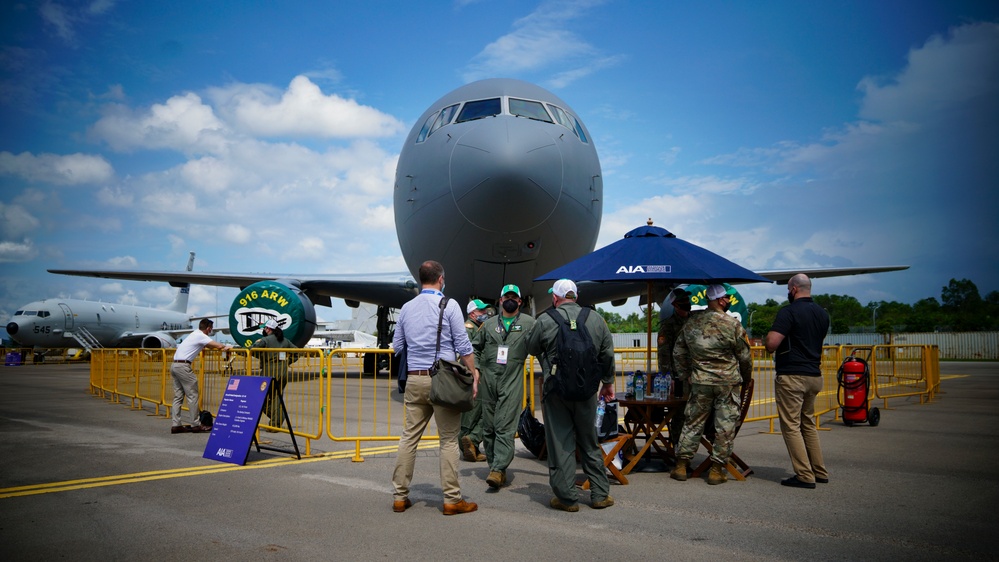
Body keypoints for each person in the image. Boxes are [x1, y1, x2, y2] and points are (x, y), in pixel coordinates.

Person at [391, 260, 479, 515]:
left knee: (409, 438)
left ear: (421, 279)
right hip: (443, 380)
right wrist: (473, 373)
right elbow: (464, 346)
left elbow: (397, 346)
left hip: (415, 379)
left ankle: (399, 496)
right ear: (441, 279)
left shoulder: (406, 308)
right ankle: (452, 500)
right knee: (449, 440)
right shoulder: (449, 305)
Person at [526, 279, 616, 511]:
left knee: (560, 443)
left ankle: (567, 498)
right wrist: (607, 383)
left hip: (556, 391)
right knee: (589, 441)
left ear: (555, 298)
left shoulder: (546, 319)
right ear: (575, 296)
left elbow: (532, 347)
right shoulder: (596, 319)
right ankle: (599, 494)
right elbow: (607, 354)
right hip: (587, 391)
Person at [671, 284, 752, 485]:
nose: (728, 301)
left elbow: (678, 351)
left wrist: (685, 375)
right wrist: (746, 377)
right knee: (724, 426)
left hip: (700, 381)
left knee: (692, 423)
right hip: (727, 382)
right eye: (725, 298)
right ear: (719, 300)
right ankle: (716, 470)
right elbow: (744, 356)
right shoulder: (732, 325)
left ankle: (681, 466)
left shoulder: (691, 323)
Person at [765, 273, 831, 489]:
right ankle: (819, 471)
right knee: (808, 424)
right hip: (814, 375)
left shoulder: (789, 312)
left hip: (793, 375)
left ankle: (804, 475)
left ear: (793, 289)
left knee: (791, 426)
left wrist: (769, 340)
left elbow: (772, 343)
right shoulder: (822, 313)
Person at [472, 284, 535, 489]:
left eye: (514, 297)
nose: (510, 300)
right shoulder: (489, 325)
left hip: (512, 378)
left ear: (519, 301)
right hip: (489, 379)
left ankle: (498, 468)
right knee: (489, 427)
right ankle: (495, 466)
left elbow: (541, 346)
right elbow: (476, 348)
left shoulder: (529, 323)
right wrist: (476, 369)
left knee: (505, 426)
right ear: (500, 301)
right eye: (506, 297)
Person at [171, 319, 232, 434]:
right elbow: (217, 345)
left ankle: (176, 424)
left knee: (178, 396)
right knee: (193, 395)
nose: (211, 331)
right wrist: (225, 347)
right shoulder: (201, 336)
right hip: (184, 366)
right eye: (211, 329)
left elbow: (209, 346)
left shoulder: (194, 334)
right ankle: (196, 424)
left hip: (175, 365)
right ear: (208, 328)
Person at [658, 287, 692, 446]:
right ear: (675, 305)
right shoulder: (668, 326)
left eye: (688, 300)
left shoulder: (694, 320)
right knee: (680, 414)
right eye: (683, 302)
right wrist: (668, 377)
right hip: (679, 377)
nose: (687, 303)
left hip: (696, 374)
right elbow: (664, 354)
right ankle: (677, 446)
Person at [252, 319, 298, 431]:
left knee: (259, 398)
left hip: (269, 373)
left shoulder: (265, 340)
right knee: (276, 398)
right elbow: (297, 351)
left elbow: (252, 349)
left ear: (268, 329)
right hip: (282, 372)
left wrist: (237, 350)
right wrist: (288, 362)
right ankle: (275, 423)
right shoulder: (285, 341)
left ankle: (278, 419)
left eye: (265, 328)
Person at [459, 299, 490, 462]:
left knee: (479, 412)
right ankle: (468, 445)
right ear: (472, 313)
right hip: (471, 375)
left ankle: (471, 445)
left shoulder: (478, 328)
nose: (484, 314)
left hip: (478, 374)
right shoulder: (469, 329)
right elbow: (468, 355)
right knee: (471, 413)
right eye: (481, 311)